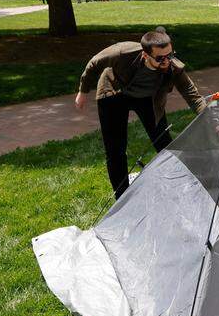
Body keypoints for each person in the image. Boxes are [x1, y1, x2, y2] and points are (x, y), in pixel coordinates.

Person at [75, 28, 205, 198]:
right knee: (115, 150)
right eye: (160, 58)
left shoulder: (173, 67)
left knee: (164, 143)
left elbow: (192, 94)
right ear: (145, 55)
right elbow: (94, 63)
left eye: (170, 55)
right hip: (115, 93)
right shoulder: (123, 52)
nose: (167, 61)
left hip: (146, 98)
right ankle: (121, 197)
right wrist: (83, 91)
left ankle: (177, 186)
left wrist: (208, 116)